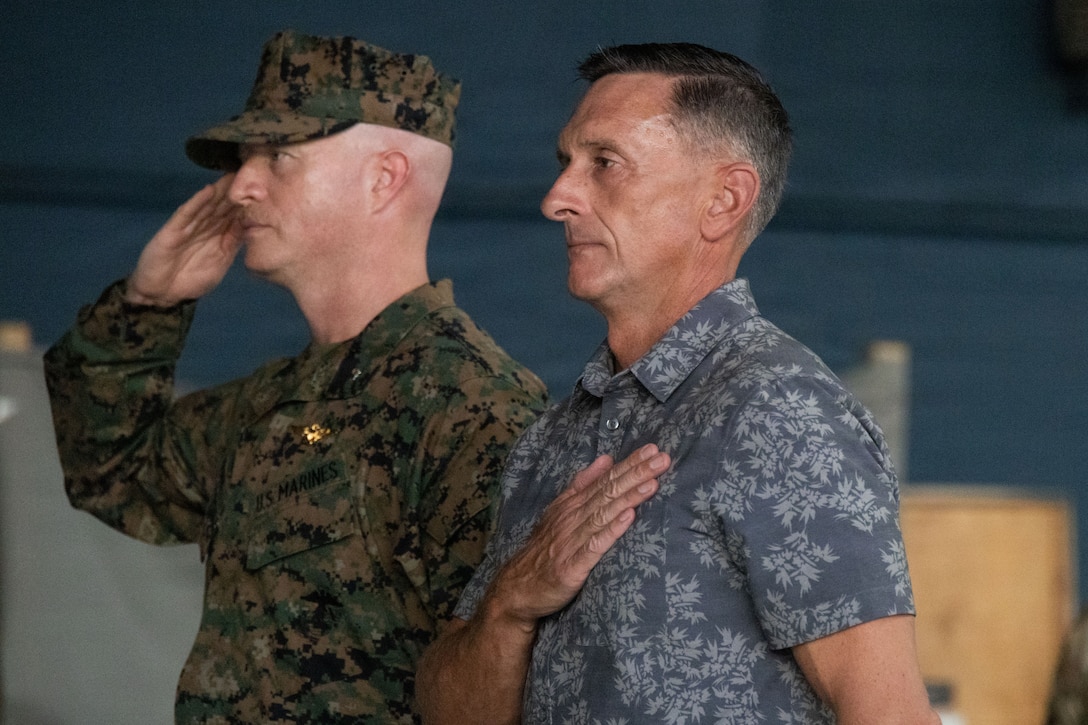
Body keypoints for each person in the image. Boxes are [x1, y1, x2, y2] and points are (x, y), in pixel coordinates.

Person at [416, 42, 939, 724]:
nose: (557, 199)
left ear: (723, 200)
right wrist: (510, 602)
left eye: (605, 164)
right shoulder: (555, 433)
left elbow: (888, 712)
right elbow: (449, 712)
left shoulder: (777, 408)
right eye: (565, 164)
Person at [42, 29, 547, 724]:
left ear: (384, 178)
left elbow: (514, 685)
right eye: (246, 159)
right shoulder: (276, 404)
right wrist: (147, 309)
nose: (240, 185)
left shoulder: (473, 410)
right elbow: (113, 472)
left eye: (279, 156)